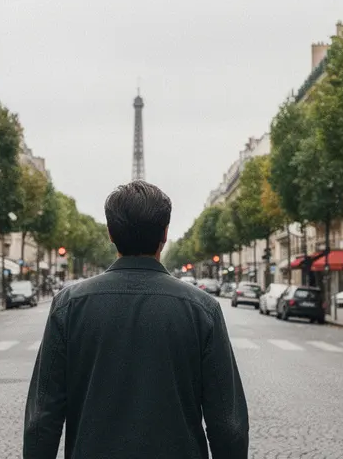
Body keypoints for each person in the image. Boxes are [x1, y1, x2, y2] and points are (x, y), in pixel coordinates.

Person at [24, 181, 249, 459]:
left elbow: (42, 419)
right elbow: (228, 424)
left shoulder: (69, 305)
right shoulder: (203, 309)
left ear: (110, 233)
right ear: (165, 233)